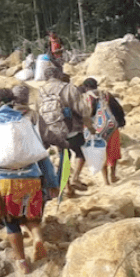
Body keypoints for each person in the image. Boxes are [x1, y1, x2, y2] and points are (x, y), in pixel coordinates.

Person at [0, 88, 59, 274]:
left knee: (10, 221)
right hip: (31, 178)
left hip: (5, 181)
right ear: (14, 103)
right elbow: (41, 155)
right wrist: (52, 182)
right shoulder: (26, 122)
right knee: (31, 215)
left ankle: (22, 261)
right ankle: (37, 238)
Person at [38, 66, 89, 197]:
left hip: (53, 131)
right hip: (71, 128)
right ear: (59, 75)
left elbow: (39, 113)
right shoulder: (69, 88)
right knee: (80, 154)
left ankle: (67, 188)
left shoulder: (40, 91)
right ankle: (75, 177)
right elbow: (82, 109)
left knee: (64, 157)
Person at [81, 78, 126, 186]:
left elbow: (85, 115)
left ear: (86, 87)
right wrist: (121, 122)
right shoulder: (106, 94)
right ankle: (113, 175)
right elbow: (118, 109)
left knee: (101, 153)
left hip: (95, 130)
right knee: (114, 152)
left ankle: (106, 181)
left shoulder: (86, 97)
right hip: (111, 127)